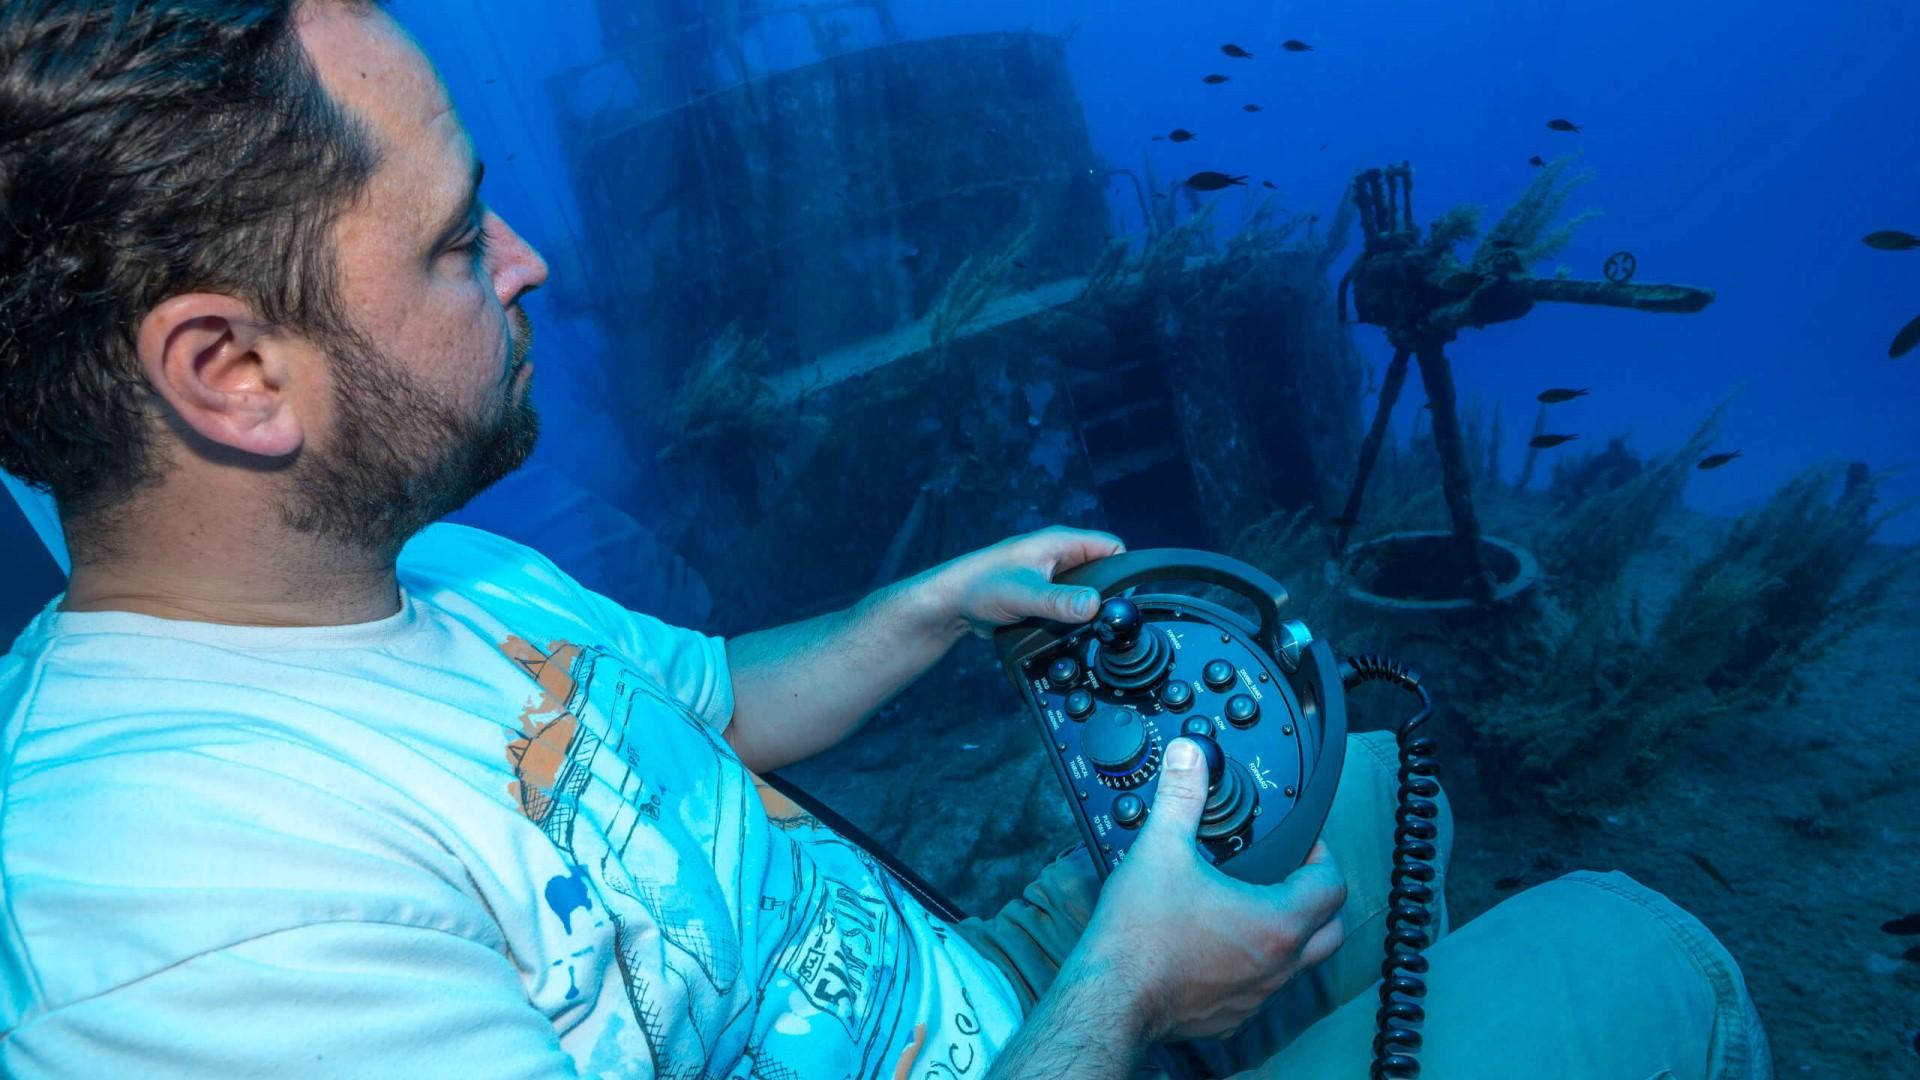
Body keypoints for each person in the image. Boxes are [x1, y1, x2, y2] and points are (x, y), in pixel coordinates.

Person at [0, 3, 1772, 1077]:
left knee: (1361, 770)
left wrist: (928, 605)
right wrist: (1127, 993)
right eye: (460, 240)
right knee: (1642, 954)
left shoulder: (414, 564)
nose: (532, 262)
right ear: (231, 374)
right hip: (1060, 1032)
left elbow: (708, 699)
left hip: (977, 991)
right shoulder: (187, 931)